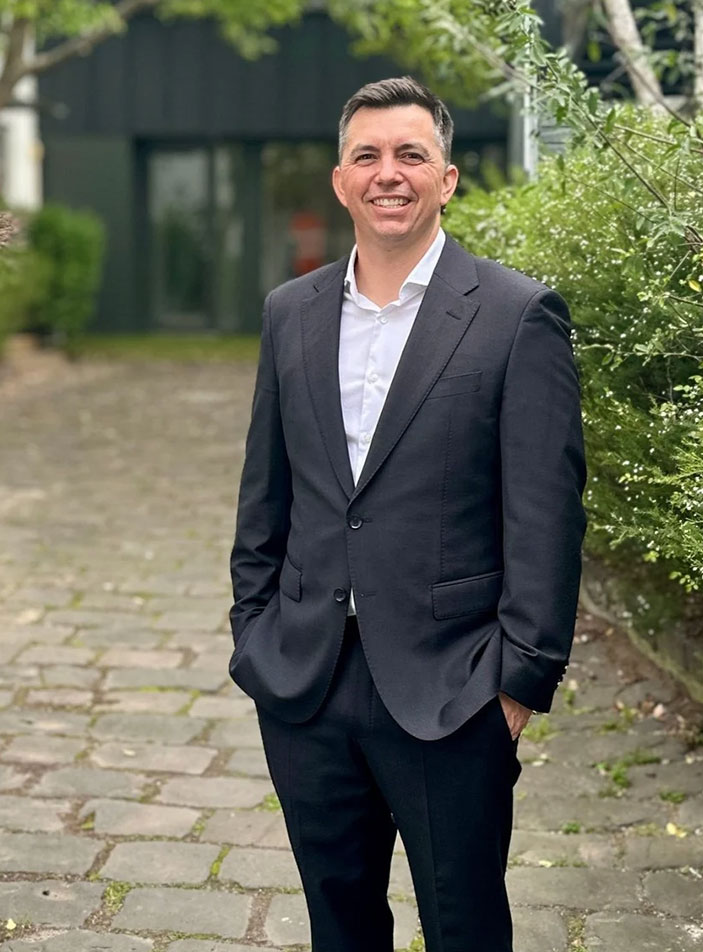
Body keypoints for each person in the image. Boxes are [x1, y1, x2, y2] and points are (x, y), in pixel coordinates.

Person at [229, 76, 586, 952]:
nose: (390, 173)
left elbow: (546, 511)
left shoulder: (515, 315)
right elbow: (264, 494)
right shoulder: (290, 314)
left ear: (448, 178)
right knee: (339, 923)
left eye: (411, 155)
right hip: (306, 680)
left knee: (464, 924)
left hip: (453, 687)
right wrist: (254, 631)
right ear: (341, 181)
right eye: (369, 156)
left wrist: (519, 680)